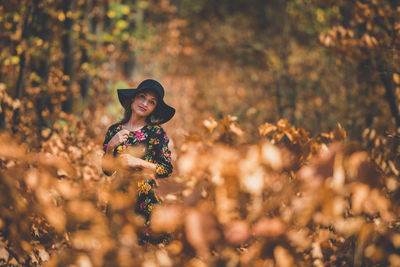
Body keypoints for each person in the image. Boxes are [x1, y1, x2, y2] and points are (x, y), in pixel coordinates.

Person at [102, 79, 175, 244]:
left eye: (152, 102)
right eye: (142, 97)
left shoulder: (156, 134)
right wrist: (110, 147)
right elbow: (107, 170)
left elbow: (167, 169)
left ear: (155, 108)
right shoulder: (114, 130)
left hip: (146, 201)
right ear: (133, 99)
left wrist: (138, 162)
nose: (145, 103)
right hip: (118, 198)